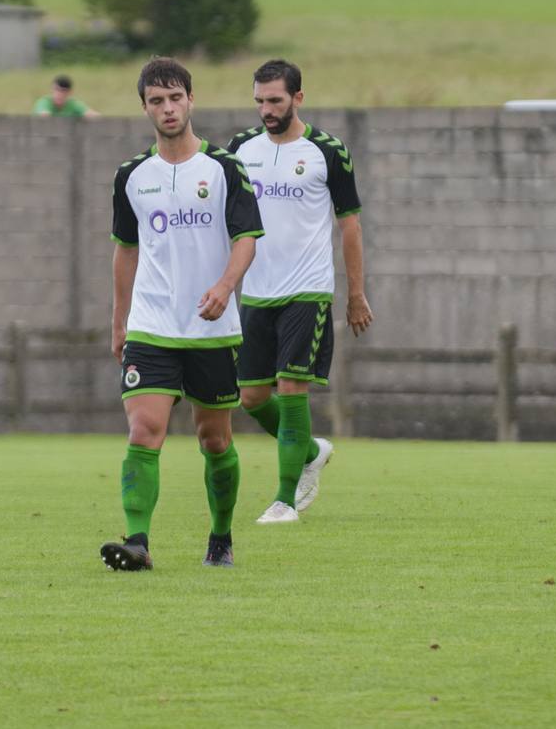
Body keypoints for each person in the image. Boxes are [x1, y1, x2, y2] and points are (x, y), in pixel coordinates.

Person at [100, 57, 262, 571]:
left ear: (191, 100)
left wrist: (224, 286)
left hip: (212, 328)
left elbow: (246, 241)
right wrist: (119, 319)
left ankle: (220, 538)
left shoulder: (223, 168)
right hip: (152, 325)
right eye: (156, 101)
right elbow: (126, 249)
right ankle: (138, 542)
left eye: (175, 98)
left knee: (214, 439)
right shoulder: (132, 176)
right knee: (144, 430)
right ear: (145, 107)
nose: (167, 109)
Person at [227, 59, 372, 525]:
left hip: (307, 291)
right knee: (250, 398)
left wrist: (355, 294)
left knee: (292, 391)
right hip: (255, 293)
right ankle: (310, 451)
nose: (266, 110)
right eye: (260, 101)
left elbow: (349, 226)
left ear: (298, 98)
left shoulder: (328, 151)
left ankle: (285, 500)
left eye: (275, 100)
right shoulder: (240, 150)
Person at [33, 74, 99, 118]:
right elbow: (44, 116)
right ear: (51, 89)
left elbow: (93, 115)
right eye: (56, 89)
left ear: (70, 93)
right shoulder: (44, 102)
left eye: (63, 91)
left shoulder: (73, 104)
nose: (59, 94)